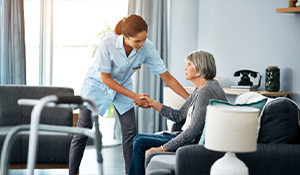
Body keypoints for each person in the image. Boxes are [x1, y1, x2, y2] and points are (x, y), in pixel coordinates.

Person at [68, 14, 190, 175]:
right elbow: (106, 78)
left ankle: (130, 172)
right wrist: (134, 96)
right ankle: (73, 172)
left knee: (130, 131)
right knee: (83, 129)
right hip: (97, 86)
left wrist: (191, 99)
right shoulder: (108, 41)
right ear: (125, 37)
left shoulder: (147, 47)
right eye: (137, 41)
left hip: (123, 86)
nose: (142, 44)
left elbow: (168, 78)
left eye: (145, 39)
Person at [128, 50, 227, 175]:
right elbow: (179, 115)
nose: (185, 68)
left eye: (189, 64)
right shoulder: (201, 89)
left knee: (140, 142)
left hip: (190, 142)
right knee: (138, 138)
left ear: (200, 69)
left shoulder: (206, 92)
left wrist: (163, 148)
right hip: (182, 135)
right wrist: (153, 103)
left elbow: (193, 131)